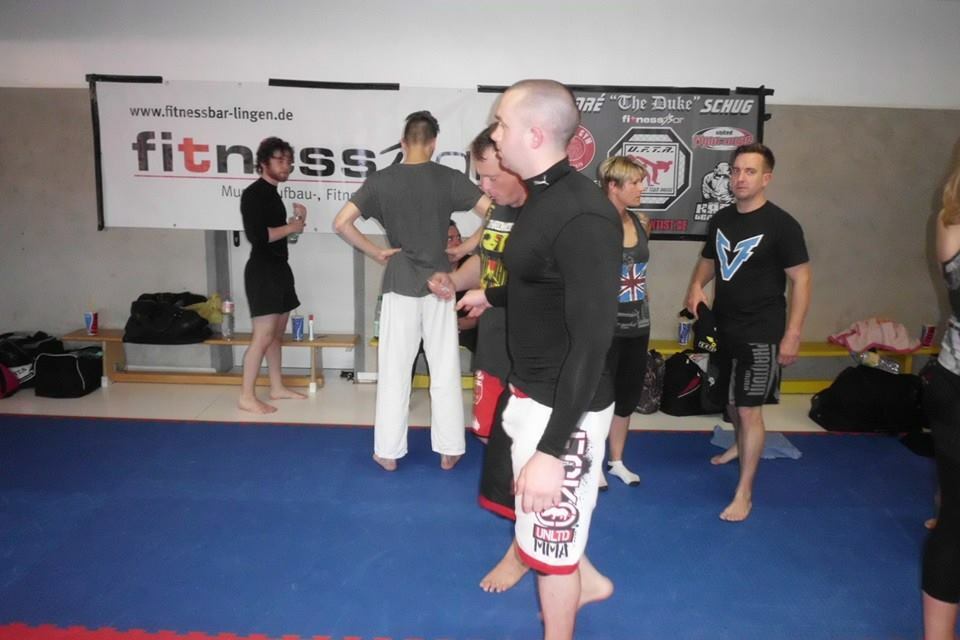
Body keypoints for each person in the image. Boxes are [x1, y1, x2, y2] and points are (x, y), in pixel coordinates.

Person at [458, 79, 621, 640]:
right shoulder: (541, 198)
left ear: (533, 134)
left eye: (502, 123)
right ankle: (589, 582)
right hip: (531, 390)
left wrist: (554, 449)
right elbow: (541, 280)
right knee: (546, 539)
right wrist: (493, 296)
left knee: (552, 556)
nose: (495, 133)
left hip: (565, 409)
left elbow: (593, 339)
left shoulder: (582, 215)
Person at [332, 110, 490, 472]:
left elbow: (341, 223)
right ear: (433, 144)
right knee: (445, 368)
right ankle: (450, 449)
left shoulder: (381, 180)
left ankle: (387, 452)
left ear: (404, 143)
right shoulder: (448, 177)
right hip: (441, 284)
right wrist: (466, 247)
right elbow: (495, 211)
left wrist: (375, 252)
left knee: (394, 370)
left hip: (399, 281)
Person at [684, 143, 811, 522]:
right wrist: (696, 286)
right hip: (725, 326)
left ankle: (744, 493)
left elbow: (802, 279)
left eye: (750, 171)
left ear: (766, 178)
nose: (740, 178)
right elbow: (710, 259)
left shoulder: (782, 225)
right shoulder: (722, 218)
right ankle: (740, 444)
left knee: (748, 409)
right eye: (736, 171)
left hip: (763, 330)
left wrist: (793, 333)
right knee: (730, 402)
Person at [429, 124, 529, 593]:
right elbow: (486, 263)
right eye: (480, 178)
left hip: (533, 351)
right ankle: (525, 527)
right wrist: (455, 281)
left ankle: (525, 545)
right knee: (493, 438)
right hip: (493, 342)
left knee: (528, 447)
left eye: (490, 177)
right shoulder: (501, 211)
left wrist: (492, 295)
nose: (484, 188)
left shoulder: (547, 213)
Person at [238, 137, 308, 414]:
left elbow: (279, 236)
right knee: (263, 336)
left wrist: (296, 224)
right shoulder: (254, 194)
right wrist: (291, 228)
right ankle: (246, 396)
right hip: (262, 271)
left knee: (276, 335)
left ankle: (277, 387)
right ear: (264, 162)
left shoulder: (273, 194)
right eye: (280, 160)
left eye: (288, 161)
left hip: (279, 268)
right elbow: (258, 236)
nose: (286, 166)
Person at [921, 157, 960, 640]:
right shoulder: (951, 220)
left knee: (954, 518)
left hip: (950, 381)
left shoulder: (949, 221)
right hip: (954, 386)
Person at [597, 156, 652, 488]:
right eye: (634, 182)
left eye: (641, 181)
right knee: (597, 397)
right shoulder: (593, 224)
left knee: (626, 397)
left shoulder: (641, 221)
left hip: (638, 324)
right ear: (613, 186)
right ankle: (591, 462)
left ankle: (616, 460)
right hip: (604, 326)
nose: (641, 188)